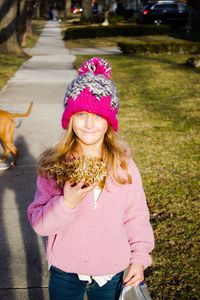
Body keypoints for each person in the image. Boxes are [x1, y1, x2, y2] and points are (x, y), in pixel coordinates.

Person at [27, 57, 154, 300]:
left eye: (98, 115)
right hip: (66, 270)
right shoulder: (55, 164)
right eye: (81, 114)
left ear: (109, 121)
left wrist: (139, 258)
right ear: (69, 118)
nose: (89, 124)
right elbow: (40, 224)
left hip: (112, 270)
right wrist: (67, 204)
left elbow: (136, 215)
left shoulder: (123, 165)